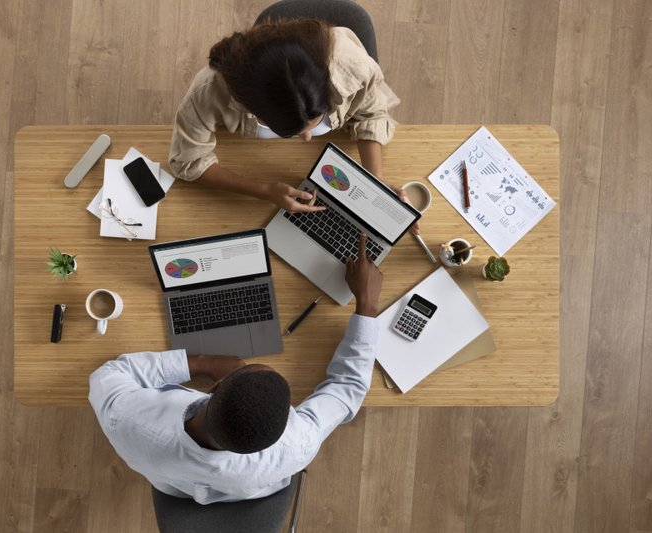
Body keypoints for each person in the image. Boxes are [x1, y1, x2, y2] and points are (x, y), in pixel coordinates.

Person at [89, 234, 383, 503]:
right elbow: (348, 387)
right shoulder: (296, 445)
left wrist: (204, 363)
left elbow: (107, 375)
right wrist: (367, 305)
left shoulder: (129, 421)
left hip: (169, 476)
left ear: (214, 386)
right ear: (285, 426)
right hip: (243, 485)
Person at [168, 19, 414, 226]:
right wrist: (264, 191)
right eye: (293, 132)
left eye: (313, 123)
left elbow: (372, 114)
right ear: (251, 108)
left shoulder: (354, 66)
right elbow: (188, 162)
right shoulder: (209, 89)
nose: (308, 138)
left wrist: (374, 181)